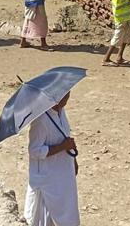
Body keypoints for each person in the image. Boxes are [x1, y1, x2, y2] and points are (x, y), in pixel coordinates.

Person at [25, 92, 80, 226]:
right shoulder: (41, 120)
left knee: (66, 209)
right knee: (43, 215)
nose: (68, 96)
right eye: (65, 94)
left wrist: (72, 160)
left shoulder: (61, 112)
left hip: (63, 174)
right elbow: (34, 150)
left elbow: (65, 136)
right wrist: (62, 147)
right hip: (47, 177)